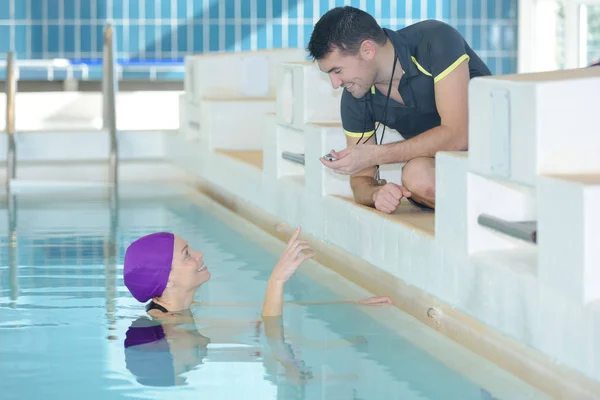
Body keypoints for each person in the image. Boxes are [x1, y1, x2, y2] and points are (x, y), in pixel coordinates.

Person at [121, 227, 391, 386]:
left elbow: (262, 319)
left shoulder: (178, 313)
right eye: (187, 254)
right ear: (166, 280)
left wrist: (351, 304)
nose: (200, 254)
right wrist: (277, 279)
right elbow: (271, 329)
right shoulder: (170, 326)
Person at [308, 6, 491, 212]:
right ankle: (485, 213)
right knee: (416, 176)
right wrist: (376, 193)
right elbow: (361, 178)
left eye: (337, 70)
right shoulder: (356, 94)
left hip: (500, 158)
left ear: (367, 50)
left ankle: (502, 209)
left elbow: (458, 135)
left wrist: (375, 155)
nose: (335, 83)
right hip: (457, 168)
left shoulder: (434, 40)